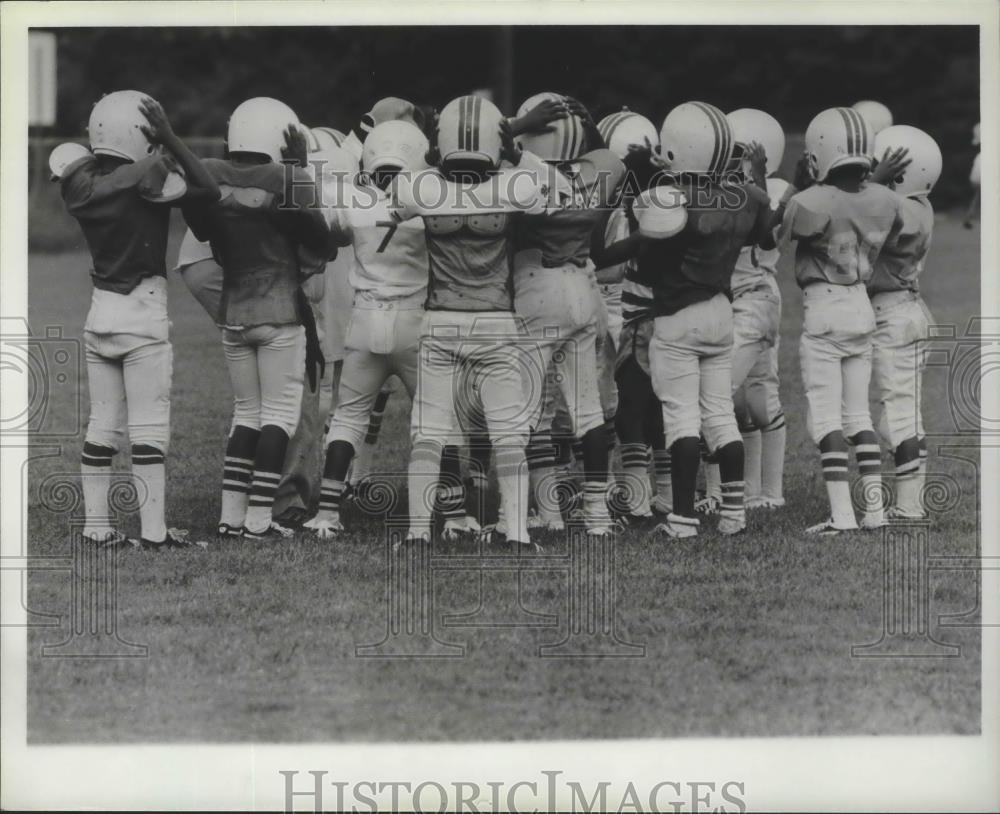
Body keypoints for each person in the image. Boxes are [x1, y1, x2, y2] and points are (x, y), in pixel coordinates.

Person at [56, 90, 219, 549]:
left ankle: (97, 527)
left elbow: (89, 168)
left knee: (102, 424)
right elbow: (208, 190)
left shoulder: (81, 183)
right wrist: (169, 137)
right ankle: (153, 532)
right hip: (142, 311)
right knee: (149, 426)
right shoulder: (146, 175)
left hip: (100, 312)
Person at [391, 94, 551, 550]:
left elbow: (400, 192)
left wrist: (431, 153)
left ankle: (419, 532)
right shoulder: (511, 186)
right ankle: (516, 532)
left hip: (441, 320)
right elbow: (556, 191)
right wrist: (517, 153)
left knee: (429, 430)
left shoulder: (424, 189)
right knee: (509, 433)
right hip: (495, 321)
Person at [182, 97, 332, 542]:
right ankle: (259, 519)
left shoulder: (213, 176)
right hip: (278, 310)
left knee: (245, 415)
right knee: (279, 418)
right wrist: (300, 171)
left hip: (234, 312)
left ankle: (231, 517)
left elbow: (207, 230)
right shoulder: (287, 178)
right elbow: (321, 241)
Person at [636, 101, 774, 539]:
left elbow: (644, 250)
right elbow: (765, 234)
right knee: (719, 416)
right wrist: (757, 177)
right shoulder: (747, 197)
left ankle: (682, 518)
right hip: (721, 311)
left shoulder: (669, 198)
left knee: (681, 419)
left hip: (679, 314)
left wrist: (651, 172)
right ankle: (734, 514)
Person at [776, 106, 910, 534]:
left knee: (827, 419)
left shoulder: (808, 200)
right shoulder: (887, 198)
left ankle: (842, 516)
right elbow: (880, 213)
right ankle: (874, 512)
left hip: (826, 308)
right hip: (861, 306)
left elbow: (785, 224)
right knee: (860, 417)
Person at [867, 125, 942, 518]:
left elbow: (869, 217)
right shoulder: (922, 206)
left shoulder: (898, 212)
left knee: (897, 415)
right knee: (900, 411)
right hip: (911, 310)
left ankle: (910, 505)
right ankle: (911, 498)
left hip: (892, 314)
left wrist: (872, 183)